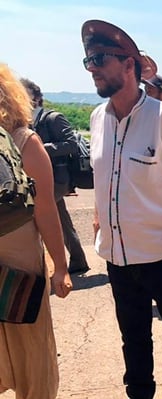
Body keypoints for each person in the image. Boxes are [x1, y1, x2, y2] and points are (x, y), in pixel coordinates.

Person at [81, 20, 162, 399]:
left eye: (99, 59)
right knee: (132, 337)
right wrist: (101, 214)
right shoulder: (98, 118)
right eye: (88, 61)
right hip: (118, 256)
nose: (92, 68)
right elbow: (105, 176)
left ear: (128, 64)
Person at [0, 64, 73, 399]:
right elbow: (45, 210)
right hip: (21, 258)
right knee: (31, 339)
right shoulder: (25, 141)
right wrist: (60, 266)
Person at [20, 78, 90, 274]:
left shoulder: (52, 118)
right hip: (43, 178)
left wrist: (41, 149)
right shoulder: (26, 121)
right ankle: (78, 260)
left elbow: (71, 144)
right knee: (60, 220)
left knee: (35, 215)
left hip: (57, 179)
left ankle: (38, 266)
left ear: (37, 97)